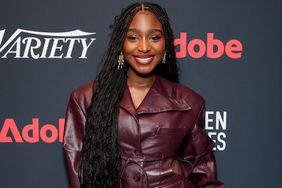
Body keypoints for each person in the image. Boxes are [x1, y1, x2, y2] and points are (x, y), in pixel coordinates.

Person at [63, 2, 224, 188]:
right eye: (133, 37)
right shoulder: (85, 98)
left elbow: (204, 174)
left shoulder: (189, 102)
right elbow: (79, 172)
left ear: (165, 44)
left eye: (154, 37)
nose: (144, 47)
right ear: (120, 44)